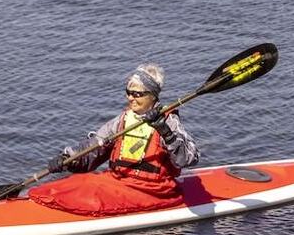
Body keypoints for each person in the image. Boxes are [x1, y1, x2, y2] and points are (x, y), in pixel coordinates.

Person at [28, 64, 200, 216]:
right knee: (73, 183)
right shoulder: (122, 120)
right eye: (128, 92)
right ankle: (30, 200)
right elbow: (94, 148)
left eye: (137, 94)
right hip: (118, 182)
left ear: (153, 96)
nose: (131, 98)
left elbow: (188, 159)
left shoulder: (168, 121)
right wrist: (68, 160)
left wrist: (165, 132)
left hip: (152, 190)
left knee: (91, 189)